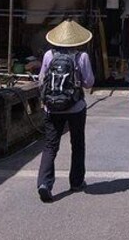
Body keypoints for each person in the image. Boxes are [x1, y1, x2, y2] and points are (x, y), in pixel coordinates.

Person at [36, 19, 95, 202]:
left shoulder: (49, 55)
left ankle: (44, 183)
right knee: (77, 144)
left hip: (52, 107)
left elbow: (41, 79)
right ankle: (76, 182)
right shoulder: (81, 57)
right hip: (76, 107)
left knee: (50, 145)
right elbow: (89, 82)